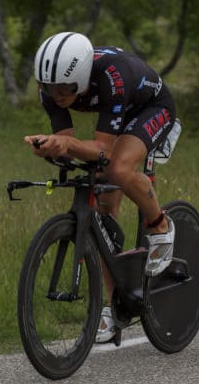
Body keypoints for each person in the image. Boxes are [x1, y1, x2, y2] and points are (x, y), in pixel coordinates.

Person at [24, 31, 178, 343]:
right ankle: (115, 305)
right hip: (115, 112)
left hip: (150, 108)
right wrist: (52, 147)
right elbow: (69, 144)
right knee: (104, 217)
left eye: (64, 89)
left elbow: (102, 151)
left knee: (117, 169)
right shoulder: (51, 90)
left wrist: (67, 144)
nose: (57, 96)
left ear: (80, 78)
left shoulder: (113, 76)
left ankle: (160, 224)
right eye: (48, 88)